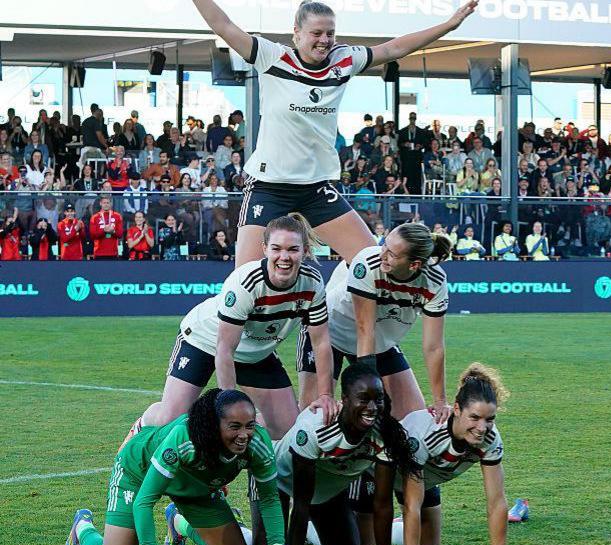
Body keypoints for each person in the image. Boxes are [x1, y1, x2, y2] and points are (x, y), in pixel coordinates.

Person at [192, 0, 478, 269]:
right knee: (246, 280)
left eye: (330, 33)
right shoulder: (273, 57)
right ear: (297, 33)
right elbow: (224, 26)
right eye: (316, 32)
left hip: (317, 188)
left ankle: (340, 316)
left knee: (372, 266)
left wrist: (449, 25)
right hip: (269, 187)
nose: (324, 40)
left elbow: (393, 49)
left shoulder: (344, 59)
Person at [128, 214, 338, 443]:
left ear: (305, 250)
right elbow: (224, 349)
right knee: (170, 421)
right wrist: (228, 408)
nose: (284, 257)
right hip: (203, 341)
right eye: (276, 248)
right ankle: (145, 422)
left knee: (287, 430)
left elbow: (321, 342)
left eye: (293, 249)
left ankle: (260, 470)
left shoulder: (313, 283)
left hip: (256, 352)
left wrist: (326, 395)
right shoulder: (247, 283)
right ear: (264, 248)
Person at [65, 389, 288, 545]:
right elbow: (144, 501)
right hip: (138, 474)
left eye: (249, 425)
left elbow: (269, 498)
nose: (244, 435)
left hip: (195, 487)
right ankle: (82, 529)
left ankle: (179, 522)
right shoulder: (186, 438)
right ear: (213, 424)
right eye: (234, 426)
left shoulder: (258, 443)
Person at [265, 363, 417, 545]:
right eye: (363, 399)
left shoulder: (385, 435)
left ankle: (310, 530)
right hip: (277, 481)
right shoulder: (315, 429)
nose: (372, 408)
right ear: (344, 399)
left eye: (378, 398)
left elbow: (382, 505)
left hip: (325, 490)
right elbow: (300, 506)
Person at [296, 222, 452, 423]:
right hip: (329, 331)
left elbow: (433, 347)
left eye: (392, 254)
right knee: (313, 417)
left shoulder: (435, 281)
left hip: (379, 342)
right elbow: (364, 329)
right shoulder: (368, 262)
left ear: (414, 265)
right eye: (384, 245)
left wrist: (440, 400)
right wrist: (368, 390)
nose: (382, 255)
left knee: (413, 416)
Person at [379, 363, 516, 545]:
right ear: (457, 409)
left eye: (490, 419)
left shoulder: (490, 439)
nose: (482, 428)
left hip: (426, 478)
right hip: (383, 475)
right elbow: (412, 504)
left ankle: (394, 527)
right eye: (475, 417)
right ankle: (311, 529)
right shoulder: (426, 434)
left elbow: (496, 501)